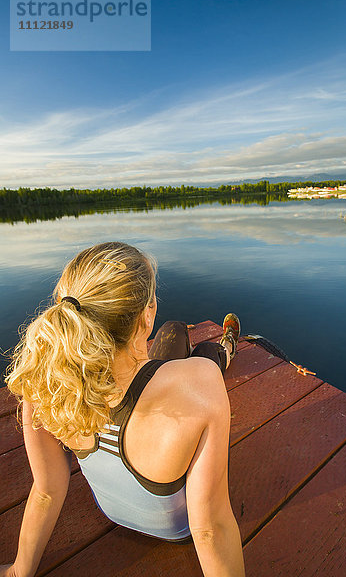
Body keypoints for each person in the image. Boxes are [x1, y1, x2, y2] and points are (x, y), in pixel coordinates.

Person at [2, 241, 245, 577]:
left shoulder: (45, 385)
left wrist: (19, 570)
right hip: (177, 532)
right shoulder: (200, 382)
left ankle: (176, 348)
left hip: (113, 513)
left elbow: (45, 491)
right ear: (146, 314)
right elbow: (209, 529)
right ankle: (227, 346)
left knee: (172, 331)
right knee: (207, 354)